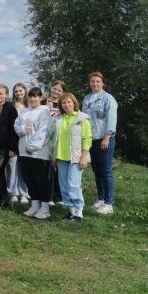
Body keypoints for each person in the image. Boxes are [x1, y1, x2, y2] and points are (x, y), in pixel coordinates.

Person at [51, 93, 92, 222]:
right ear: (61, 106)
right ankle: (71, 211)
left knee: (73, 184)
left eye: (69, 102)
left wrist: (84, 157)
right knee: (64, 185)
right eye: (63, 103)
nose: (67, 105)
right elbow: (54, 139)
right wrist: (53, 157)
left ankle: (79, 212)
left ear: (74, 103)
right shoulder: (59, 119)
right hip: (61, 157)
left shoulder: (82, 118)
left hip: (76, 158)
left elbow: (87, 139)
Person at [82, 71, 118, 215]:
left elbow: (111, 118)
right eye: (92, 81)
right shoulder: (87, 99)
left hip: (104, 139)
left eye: (98, 81)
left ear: (103, 83)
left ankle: (109, 203)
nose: (95, 84)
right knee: (96, 170)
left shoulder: (108, 98)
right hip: (91, 139)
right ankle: (101, 199)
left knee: (105, 170)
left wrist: (107, 137)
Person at [15, 87, 53, 220]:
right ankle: (35, 205)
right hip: (24, 152)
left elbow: (45, 131)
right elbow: (16, 127)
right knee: (29, 179)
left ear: (41, 98)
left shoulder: (45, 112)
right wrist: (23, 129)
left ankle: (45, 208)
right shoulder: (24, 112)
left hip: (39, 153)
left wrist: (32, 146)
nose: (33, 99)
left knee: (41, 180)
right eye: (31, 96)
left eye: (36, 96)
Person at [7, 82, 30, 205]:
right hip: (14, 141)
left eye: (20, 90)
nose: (18, 93)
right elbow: (10, 127)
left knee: (24, 169)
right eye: (16, 91)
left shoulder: (30, 106)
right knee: (13, 168)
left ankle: (24, 194)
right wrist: (11, 146)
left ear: (25, 91)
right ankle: (13, 193)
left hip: (27, 141)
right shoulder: (11, 107)